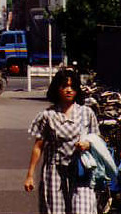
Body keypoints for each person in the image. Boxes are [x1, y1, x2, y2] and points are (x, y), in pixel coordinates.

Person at [24, 69, 99, 214]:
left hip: (81, 170)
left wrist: (87, 144)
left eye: (73, 86)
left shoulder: (87, 113)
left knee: (82, 209)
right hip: (55, 171)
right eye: (64, 86)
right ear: (57, 88)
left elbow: (96, 139)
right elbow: (38, 146)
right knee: (55, 210)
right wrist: (30, 175)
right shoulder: (47, 116)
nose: (69, 90)